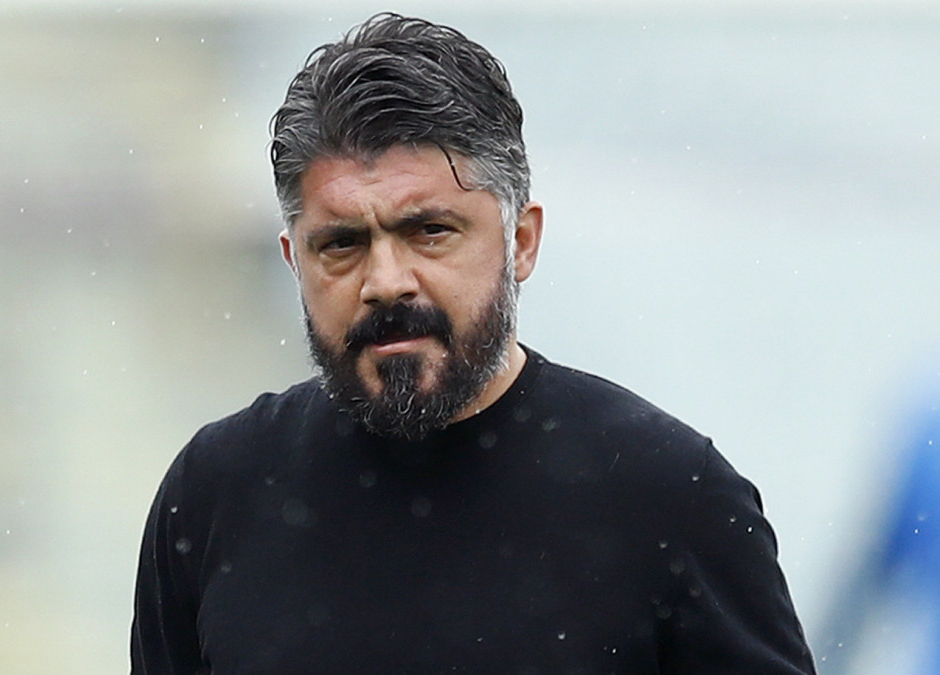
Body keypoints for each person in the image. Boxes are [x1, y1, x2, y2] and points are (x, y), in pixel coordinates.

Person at [131, 12, 815, 674]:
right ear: (293, 260)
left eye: (430, 231)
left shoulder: (673, 498)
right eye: (341, 244)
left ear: (521, 241)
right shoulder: (216, 494)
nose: (387, 282)